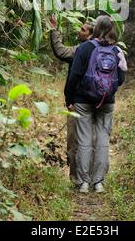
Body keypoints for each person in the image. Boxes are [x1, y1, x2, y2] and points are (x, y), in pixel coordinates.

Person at [64, 15, 126, 193]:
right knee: (102, 140)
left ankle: (83, 183)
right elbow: (120, 79)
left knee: (83, 140)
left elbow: (74, 75)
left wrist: (69, 99)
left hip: (83, 101)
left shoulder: (85, 48)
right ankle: (98, 183)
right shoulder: (117, 51)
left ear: (96, 28)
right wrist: (106, 89)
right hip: (106, 102)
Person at [49, 15, 94, 183]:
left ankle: (77, 179)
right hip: (98, 102)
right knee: (93, 140)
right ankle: (93, 178)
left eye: (83, 29)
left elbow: (60, 51)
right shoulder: (104, 50)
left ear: (90, 35)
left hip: (78, 102)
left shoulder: (80, 50)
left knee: (74, 140)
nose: (79, 31)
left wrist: (54, 30)